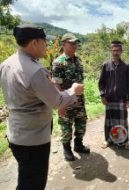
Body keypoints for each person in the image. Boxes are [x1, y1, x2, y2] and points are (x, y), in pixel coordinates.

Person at [0, 24, 83, 190]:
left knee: (26, 177)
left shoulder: (6, 64)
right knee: (33, 184)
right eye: (45, 42)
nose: (48, 45)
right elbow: (57, 101)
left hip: (16, 133)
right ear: (34, 43)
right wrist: (73, 91)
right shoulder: (35, 70)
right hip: (33, 139)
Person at [52, 33, 90, 161]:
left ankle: (78, 145)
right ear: (63, 45)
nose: (75, 45)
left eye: (76, 43)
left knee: (81, 123)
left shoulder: (78, 60)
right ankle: (66, 149)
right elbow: (56, 84)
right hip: (66, 101)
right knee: (66, 126)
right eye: (72, 43)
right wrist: (60, 105)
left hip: (79, 100)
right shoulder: (58, 62)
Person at [98, 40, 129, 149]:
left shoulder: (126, 66)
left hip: (121, 98)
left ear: (121, 51)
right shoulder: (105, 65)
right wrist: (103, 95)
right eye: (114, 50)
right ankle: (108, 140)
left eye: (118, 50)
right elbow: (101, 82)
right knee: (109, 121)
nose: (116, 52)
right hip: (109, 98)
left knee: (122, 121)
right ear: (111, 51)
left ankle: (125, 141)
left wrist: (128, 98)